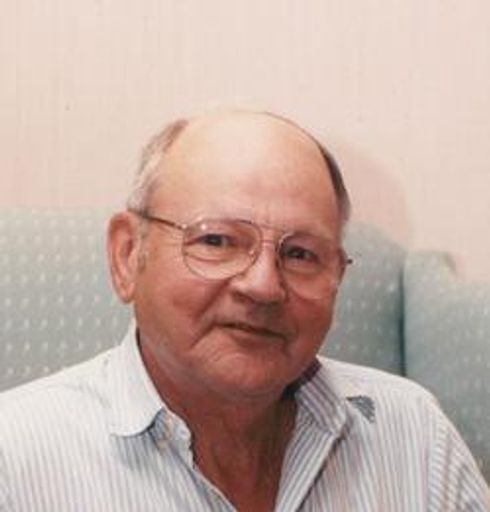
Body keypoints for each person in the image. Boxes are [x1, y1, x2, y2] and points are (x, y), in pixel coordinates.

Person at [0, 110, 488, 512]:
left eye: (300, 254)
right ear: (128, 255)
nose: (263, 286)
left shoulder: (414, 438)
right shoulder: (15, 460)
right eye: (217, 241)